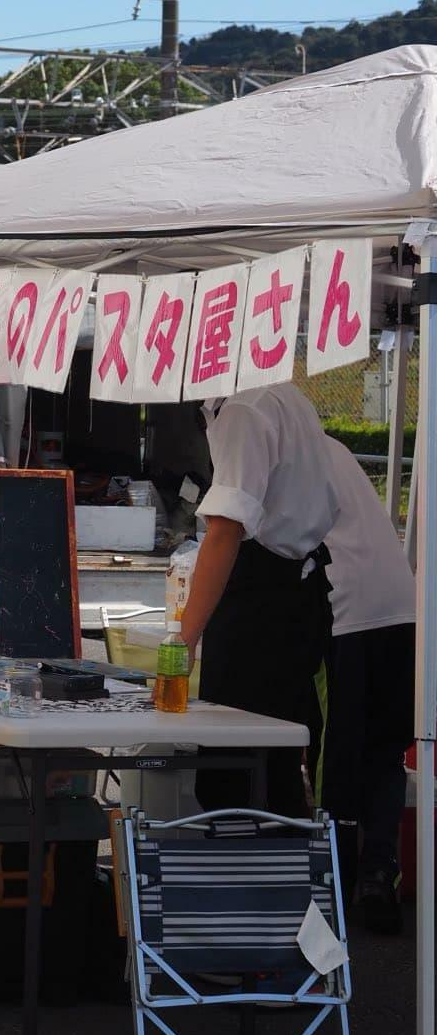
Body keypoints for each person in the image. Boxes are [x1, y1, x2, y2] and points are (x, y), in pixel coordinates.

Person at [181, 382, 340, 818]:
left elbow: (225, 529)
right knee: (277, 763)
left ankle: (240, 875)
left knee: (234, 769)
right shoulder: (284, 395)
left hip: (262, 602)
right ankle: (283, 871)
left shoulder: (244, 409)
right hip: (298, 593)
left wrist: (183, 639)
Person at [318, 435, 414, 934]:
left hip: (348, 610)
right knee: (384, 751)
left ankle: (335, 877)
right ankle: (378, 871)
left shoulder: (269, 446)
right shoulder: (330, 446)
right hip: (400, 604)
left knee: (338, 748)